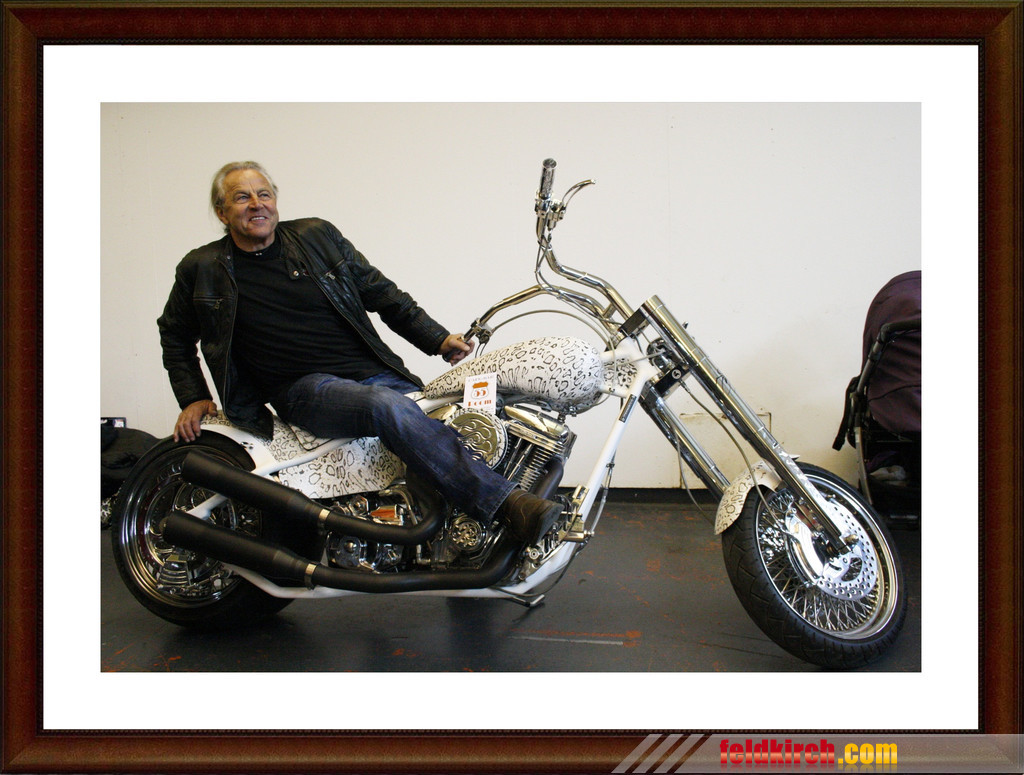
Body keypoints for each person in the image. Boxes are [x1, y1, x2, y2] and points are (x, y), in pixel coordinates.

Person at [157, 161, 560, 547]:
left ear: (275, 201)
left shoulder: (317, 237)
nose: (256, 204)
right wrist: (193, 396)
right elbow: (174, 332)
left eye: (264, 194)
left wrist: (437, 339)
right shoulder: (202, 268)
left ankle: (460, 547)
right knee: (385, 407)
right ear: (222, 212)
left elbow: (381, 293)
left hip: (373, 373)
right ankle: (508, 506)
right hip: (304, 389)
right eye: (241, 197)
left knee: (458, 413)